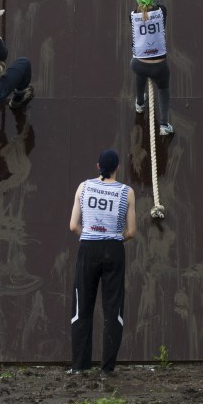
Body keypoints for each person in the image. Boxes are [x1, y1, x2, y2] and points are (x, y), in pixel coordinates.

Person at [68, 149, 137, 374]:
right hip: (114, 249)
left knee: (82, 309)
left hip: (88, 248)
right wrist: (114, 239)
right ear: (117, 167)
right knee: (113, 310)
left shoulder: (83, 187)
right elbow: (132, 231)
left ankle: (79, 367)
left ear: (98, 166)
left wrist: (90, 237)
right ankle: (107, 369)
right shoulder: (127, 192)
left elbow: (73, 226)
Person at [130, 0, 173, 136]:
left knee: (140, 71)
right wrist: (153, 1)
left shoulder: (133, 15)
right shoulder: (162, 11)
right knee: (163, 89)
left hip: (139, 64)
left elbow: (142, 12)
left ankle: (140, 104)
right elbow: (157, 5)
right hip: (159, 66)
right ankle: (163, 125)